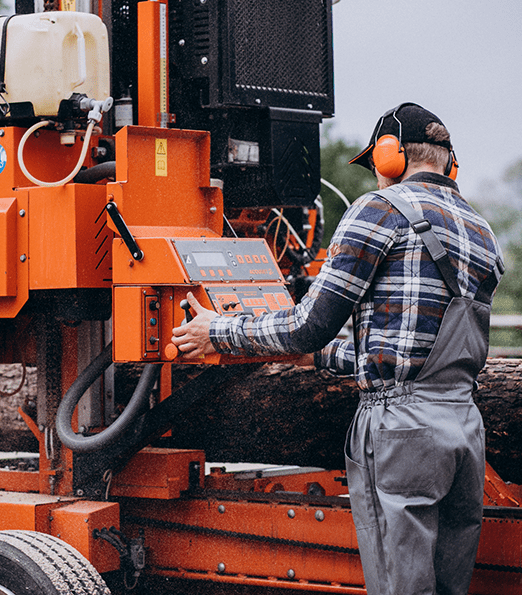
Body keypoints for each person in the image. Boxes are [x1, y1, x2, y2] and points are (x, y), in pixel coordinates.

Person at [171, 103, 504, 595]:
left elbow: (309, 325)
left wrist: (216, 332)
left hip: (402, 432)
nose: (376, 177)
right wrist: (318, 358)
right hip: (463, 430)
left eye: (375, 166)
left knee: (400, 587)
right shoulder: (482, 231)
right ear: (448, 163)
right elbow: (416, 356)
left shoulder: (380, 210)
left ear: (390, 156)